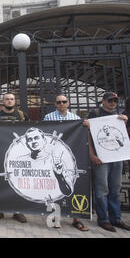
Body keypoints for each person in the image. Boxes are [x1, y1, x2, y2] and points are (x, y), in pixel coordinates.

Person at [42, 94, 89, 231]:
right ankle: (57, 218)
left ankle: (77, 218)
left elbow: (83, 135)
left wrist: (87, 125)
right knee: (56, 187)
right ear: (55, 104)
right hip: (54, 156)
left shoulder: (76, 119)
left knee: (75, 184)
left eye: (64, 101)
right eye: (59, 102)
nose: (62, 104)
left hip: (72, 155)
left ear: (68, 103)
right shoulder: (48, 117)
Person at [85, 92, 130, 232]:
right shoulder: (95, 114)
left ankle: (116, 218)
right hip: (101, 158)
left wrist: (125, 122)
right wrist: (91, 154)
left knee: (115, 188)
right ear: (103, 100)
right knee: (101, 189)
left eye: (115, 101)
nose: (113, 103)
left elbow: (123, 136)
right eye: (110, 100)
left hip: (117, 157)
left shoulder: (118, 116)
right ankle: (103, 219)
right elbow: (88, 136)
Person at [0, 92, 28, 223]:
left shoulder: (22, 116)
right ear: (2, 101)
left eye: (11, 99)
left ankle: (18, 211)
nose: (9, 101)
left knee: (18, 182)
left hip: (18, 155)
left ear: (15, 101)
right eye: (7, 99)